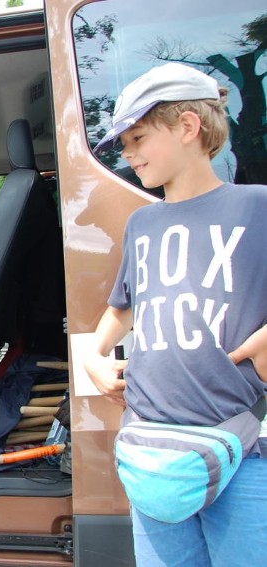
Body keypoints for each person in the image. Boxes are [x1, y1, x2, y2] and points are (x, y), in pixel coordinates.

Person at [84, 62, 267, 566]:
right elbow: (122, 308)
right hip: (152, 447)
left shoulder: (258, 208)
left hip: (244, 445)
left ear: (188, 127)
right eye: (122, 144)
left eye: (138, 137)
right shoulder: (142, 224)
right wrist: (94, 358)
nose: (127, 154)